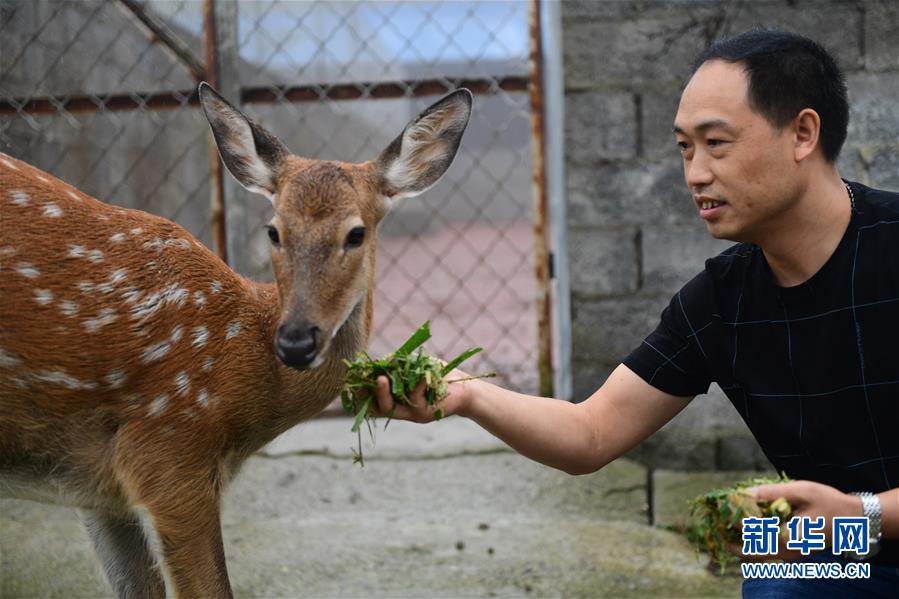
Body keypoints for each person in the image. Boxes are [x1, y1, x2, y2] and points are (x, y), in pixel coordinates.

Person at [372, 28, 899, 596]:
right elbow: (590, 434)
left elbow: (850, 519)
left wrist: (858, 514)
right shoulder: (721, 301)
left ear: (802, 133)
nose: (695, 173)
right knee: (777, 576)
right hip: (847, 551)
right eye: (684, 148)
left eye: (716, 143)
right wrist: (468, 393)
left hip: (858, 527)